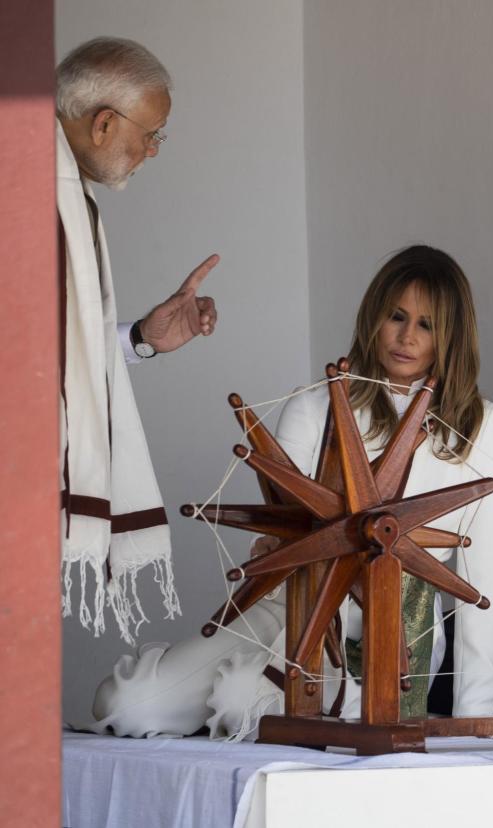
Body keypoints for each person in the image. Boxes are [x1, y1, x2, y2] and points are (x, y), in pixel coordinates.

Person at [90, 245, 493, 737]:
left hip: (396, 631)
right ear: (374, 316)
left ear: (451, 336)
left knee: (241, 695)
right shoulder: (312, 408)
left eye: (426, 324)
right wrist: (268, 547)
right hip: (291, 604)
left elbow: (485, 582)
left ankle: (293, 701)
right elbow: (281, 528)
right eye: (396, 316)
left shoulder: (479, 425)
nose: (406, 337)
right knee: (125, 705)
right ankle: (239, 689)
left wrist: (475, 720)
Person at [56, 36, 219, 642]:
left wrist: (141, 339)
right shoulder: (24, 190)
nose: (152, 150)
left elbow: (58, 352)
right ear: (103, 123)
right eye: (152, 133)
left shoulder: (70, 197)